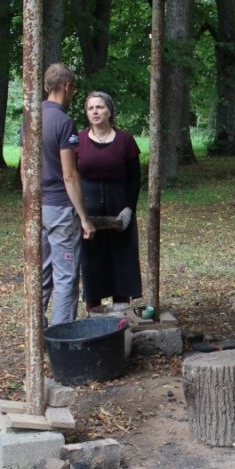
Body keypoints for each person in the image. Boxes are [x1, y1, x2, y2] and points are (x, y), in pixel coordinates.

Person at [38, 63, 95, 326]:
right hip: (60, 207)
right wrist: (84, 217)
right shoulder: (64, 122)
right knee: (66, 276)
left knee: (42, 273)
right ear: (67, 87)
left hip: (38, 206)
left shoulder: (31, 117)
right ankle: (61, 340)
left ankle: (36, 331)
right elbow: (69, 175)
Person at [77, 91, 142, 312]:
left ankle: (121, 314)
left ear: (110, 111)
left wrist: (128, 210)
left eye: (100, 107)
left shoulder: (125, 140)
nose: (95, 111)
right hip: (89, 210)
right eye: (90, 108)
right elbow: (71, 176)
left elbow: (135, 179)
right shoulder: (79, 140)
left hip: (119, 209)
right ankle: (94, 314)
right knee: (92, 262)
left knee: (122, 261)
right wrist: (79, 212)